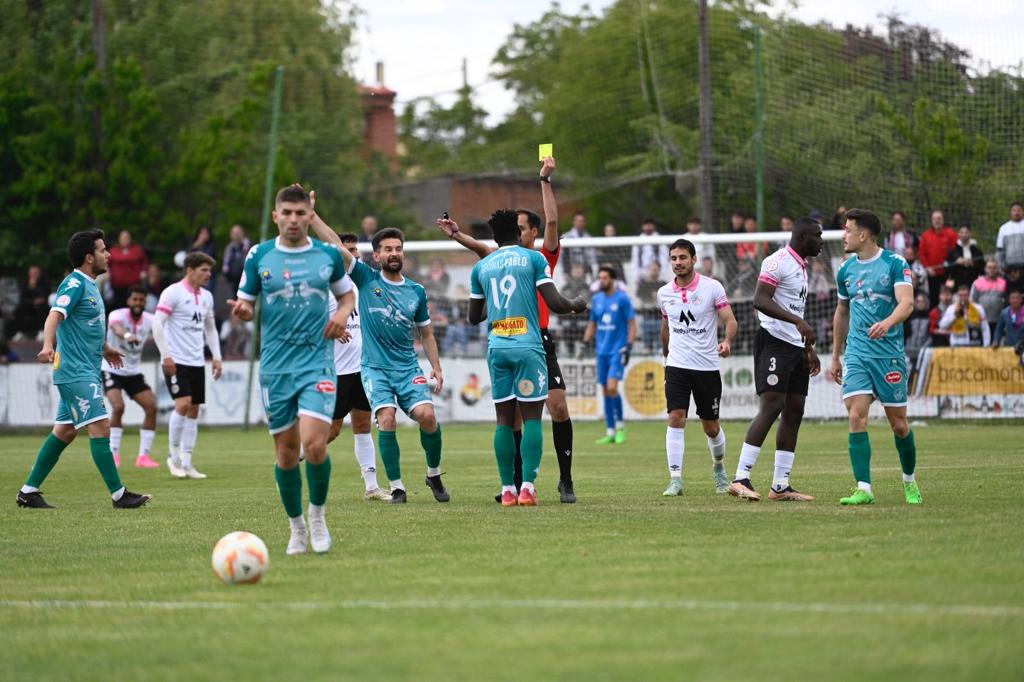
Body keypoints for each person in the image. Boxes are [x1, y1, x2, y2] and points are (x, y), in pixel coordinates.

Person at [438, 156, 580, 503]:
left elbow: (551, 219)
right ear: (518, 234)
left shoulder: (543, 253)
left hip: (519, 342)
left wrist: (544, 182)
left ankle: (563, 480)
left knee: (554, 408)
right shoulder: (527, 261)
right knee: (523, 417)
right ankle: (520, 485)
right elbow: (480, 246)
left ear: (531, 231)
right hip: (528, 343)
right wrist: (458, 235)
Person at [228, 185, 354, 555]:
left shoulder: (327, 256)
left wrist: (342, 314)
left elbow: (347, 295)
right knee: (285, 454)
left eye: (301, 213)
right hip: (276, 368)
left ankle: (317, 518)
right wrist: (243, 312)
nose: (295, 220)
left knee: (314, 445)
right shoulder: (259, 255)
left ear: (307, 215)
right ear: (276, 216)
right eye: (288, 213)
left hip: (317, 362)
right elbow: (247, 304)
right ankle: (296, 527)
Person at [310, 205, 448, 506]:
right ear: (377, 256)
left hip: (407, 366)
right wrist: (312, 216)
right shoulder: (366, 279)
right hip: (374, 369)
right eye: (387, 249)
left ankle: (434, 473)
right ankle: (396, 487)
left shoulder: (417, 291)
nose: (394, 253)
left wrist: (436, 366)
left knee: (427, 417)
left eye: (398, 248)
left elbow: (426, 333)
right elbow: (336, 246)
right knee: (386, 419)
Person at [15, 229, 151, 509]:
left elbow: (82, 328)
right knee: (101, 425)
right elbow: (54, 315)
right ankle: (119, 494)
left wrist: (105, 347)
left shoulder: (90, 285)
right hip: (74, 371)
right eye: (103, 250)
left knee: (65, 432)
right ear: (90, 257)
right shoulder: (74, 283)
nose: (109, 254)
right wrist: (48, 345)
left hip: (85, 369)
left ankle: (28, 491)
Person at [468, 209, 587, 506]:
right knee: (533, 417)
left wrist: (497, 309)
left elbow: (473, 317)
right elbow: (555, 303)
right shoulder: (533, 259)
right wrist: (576, 304)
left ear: (495, 236)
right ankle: (528, 489)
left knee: (504, 421)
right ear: (518, 233)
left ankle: (508, 489)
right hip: (528, 347)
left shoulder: (482, 267)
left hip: (497, 348)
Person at [728, 217, 824, 502]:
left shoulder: (801, 267)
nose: (821, 241)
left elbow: (792, 305)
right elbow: (760, 300)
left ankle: (780, 485)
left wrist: (808, 349)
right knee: (772, 406)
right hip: (773, 343)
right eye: (817, 236)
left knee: (795, 411)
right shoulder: (777, 261)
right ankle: (740, 477)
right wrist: (798, 322)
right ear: (802, 236)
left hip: (795, 347)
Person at [831, 208, 921, 506]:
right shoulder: (845, 269)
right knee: (856, 415)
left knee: (899, 424)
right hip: (857, 352)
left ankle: (909, 481)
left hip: (889, 356)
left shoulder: (895, 264)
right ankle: (864, 488)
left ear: (863, 234)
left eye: (847, 229)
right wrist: (835, 355)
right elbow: (842, 312)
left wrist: (888, 323)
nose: (843, 235)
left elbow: (906, 304)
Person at [658, 239, 737, 497]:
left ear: (693, 259)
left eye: (682, 257)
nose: (678, 263)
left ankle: (719, 468)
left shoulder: (712, 288)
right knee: (675, 417)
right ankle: (676, 479)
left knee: (711, 426)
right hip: (677, 366)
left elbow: (730, 320)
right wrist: (665, 358)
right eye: (674, 258)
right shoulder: (663, 293)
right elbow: (666, 327)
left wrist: (727, 341)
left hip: (706, 367)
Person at [327, 232, 391, 502]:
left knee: (364, 425)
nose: (354, 253)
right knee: (331, 430)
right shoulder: (325, 286)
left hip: (364, 368)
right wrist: (331, 329)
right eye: (348, 249)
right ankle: (293, 455)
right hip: (336, 370)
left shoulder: (364, 285)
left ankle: (372, 486)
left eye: (356, 249)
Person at [152, 252, 223, 480]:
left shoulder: (207, 297)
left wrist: (217, 357)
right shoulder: (172, 292)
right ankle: (172, 458)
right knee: (182, 404)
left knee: (194, 409)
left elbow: (210, 329)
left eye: (209, 270)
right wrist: (166, 356)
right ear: (190, 270)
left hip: (196, 361)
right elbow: (157, 324)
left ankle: (187, 462)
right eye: (204, 270)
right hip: (176, 360)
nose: (208, 274)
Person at [103, 285, 159, 469]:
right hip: (111, 368)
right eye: (134, 299)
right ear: (128, 301)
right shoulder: (117, 315)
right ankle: (114, 453)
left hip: (132, 372)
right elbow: (117, 328)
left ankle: (143, 457)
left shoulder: (150, 319)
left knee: (151, 407)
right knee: (118, 407)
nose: (138, 303)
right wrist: (127, 335)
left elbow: (163, 330)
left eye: (141, 300)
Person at [583, 266, 637, 445]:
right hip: (601, 351)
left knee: (613, 387)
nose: (602, 281)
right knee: (605, 390)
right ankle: (610, 431)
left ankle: (621, 427)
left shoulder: (622, 299)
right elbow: (593, 323)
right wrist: (585, 342)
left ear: (613, 279)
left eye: (605, 278)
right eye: (600, 278)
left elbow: (632, 324)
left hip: (617, 350)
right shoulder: (597, 299)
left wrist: (628, 346)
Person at [918, 210, 958, 308]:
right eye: (934, 219)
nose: (937, 221)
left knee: (950, 295)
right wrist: (927, 268)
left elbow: (956, 251)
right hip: (933, 274)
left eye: (939, 218)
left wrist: (951, 266)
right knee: (934, 297)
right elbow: (922, 254)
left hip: (949, 274)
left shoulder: (951, 233)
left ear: (943, 220)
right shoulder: (926, 235)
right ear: (931, 221)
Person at [107, 230, 149, 310]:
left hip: (134, 284)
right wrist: (107, 272)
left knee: (134, 304)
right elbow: (107, 263)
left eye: (127, 238)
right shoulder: (113, 250)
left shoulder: (137, 250)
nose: (125, 240)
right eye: (123, 238)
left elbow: (145, 263)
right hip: (117, 285)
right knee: (118, 305)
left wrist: (144, 271)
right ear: (119, 239)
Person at [971, 259, 1007, 340]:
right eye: (989, 267)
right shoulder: (977, 282)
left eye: (994, 268)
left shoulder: (1003, 282)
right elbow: (973, 301)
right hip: (982, 320)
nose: (992, 270)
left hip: (998, 320)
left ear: (997, 269)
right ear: (985, 269)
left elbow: (1007, 302)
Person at [12, 265, 50, 340]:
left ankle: (41, 331)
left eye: (36, 273)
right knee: (18, 308)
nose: (33, 275)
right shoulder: (25, 281)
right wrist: (32, 300)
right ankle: (20, 332)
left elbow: (45, 296)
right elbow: (22, 298)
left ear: (40, 274)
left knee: (41, 307)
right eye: (32, 273)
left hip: (42, 306)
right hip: (29, 305)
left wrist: (34, 287)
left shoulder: (44, 282)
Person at [636, 262, 666, 354]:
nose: (654, 272)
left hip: (659, 317)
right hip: (647, 316)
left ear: (659, 271)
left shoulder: (663, 284)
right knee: (646, 327)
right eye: (652, 269)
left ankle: (660, 348)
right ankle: (647, 348)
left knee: (660, 341)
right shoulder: (643, 284)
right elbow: (642, 298)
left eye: (656, 270)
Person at [629, 218, 669, 283]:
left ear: (654, 226)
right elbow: (635, 260)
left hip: (658, 275)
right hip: (642, 275)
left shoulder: (660, 240)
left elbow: (664, 259)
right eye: (646, 225)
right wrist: (636, 276)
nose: (648, 227)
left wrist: (662, 275)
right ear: (642, 227)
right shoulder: (637, 241)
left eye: (650, 225)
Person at [945, 226, 984, 290]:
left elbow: (982, 268)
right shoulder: (952, 251)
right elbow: (947, 268)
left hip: (973, 282)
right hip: (957, 282)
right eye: (961, 232)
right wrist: (956, 262)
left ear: (970, 234)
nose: (964, 235)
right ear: (958, 234)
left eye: (966, 232)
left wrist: (973, 263)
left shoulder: (977, 250)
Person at [562, 210, 597, 274]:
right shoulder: (565, 237)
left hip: (585, 269)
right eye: (578, 221)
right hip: (569, 270)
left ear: (585, 222)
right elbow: (561, 257)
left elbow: (592, 257)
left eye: (582, 221)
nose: (580, 223)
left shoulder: (588, 238)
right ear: (573, 222)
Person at [995, 201, 1024, 277]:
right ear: (1010, 212)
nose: (1016, 213)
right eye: (1014, 210)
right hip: (1009, 268)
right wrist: (1003, 267)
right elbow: (999, 250)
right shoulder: (1004, 228)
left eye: (1019, 210)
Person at [221, 224, 252, 290]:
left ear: (243, 233)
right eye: (234, 233)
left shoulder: (249, 245)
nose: (236, 235)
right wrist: (227, 275)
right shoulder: (230, 248)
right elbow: (225, 264)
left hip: (247, 278)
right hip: (233, 280)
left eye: (238, 232)